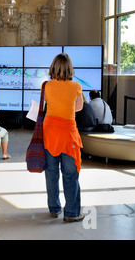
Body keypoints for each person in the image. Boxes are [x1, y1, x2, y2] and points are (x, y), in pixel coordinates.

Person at [43, 53, 84, 222]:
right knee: (70, 174)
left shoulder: (47, 85)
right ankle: (72, 213)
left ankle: (54, 208)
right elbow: (79, 107)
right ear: (69, 68)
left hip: (49, 131)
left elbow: (48, 104)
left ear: (54, 67)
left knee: (51, 172)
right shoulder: (76, 86)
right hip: (68, 133)